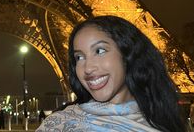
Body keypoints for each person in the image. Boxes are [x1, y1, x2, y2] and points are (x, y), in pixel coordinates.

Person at [36, 15, 186, 132]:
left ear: (127, 54)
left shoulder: (162, 123)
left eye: (99, 51)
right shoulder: (60, 123)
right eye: (79, 57)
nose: (87, 68)